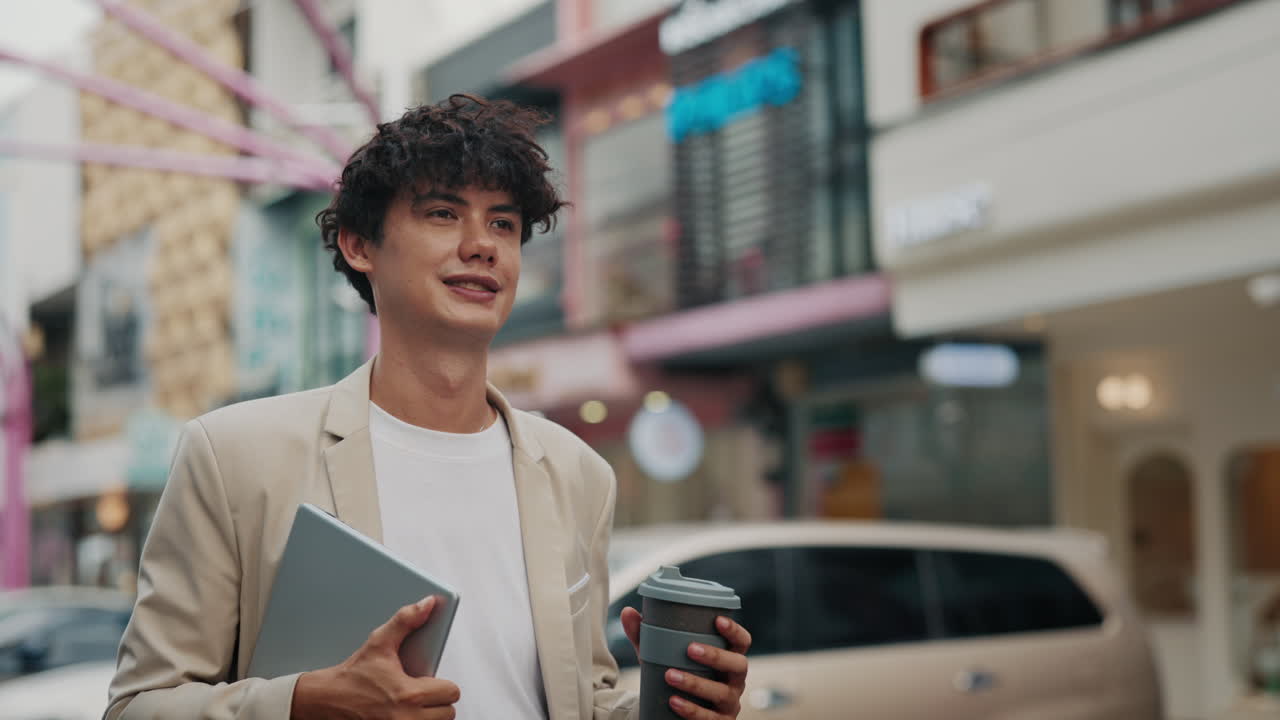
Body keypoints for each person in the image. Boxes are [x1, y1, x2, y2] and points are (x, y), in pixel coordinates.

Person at [105, 94, 752, 719]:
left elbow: (575, 696)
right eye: (444, 214)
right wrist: (305, 705)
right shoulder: (237, 457)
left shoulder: (578, 474)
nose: (483, 245)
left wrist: (665, 709)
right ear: (360, 246)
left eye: (504, 223)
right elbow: (139, 705)